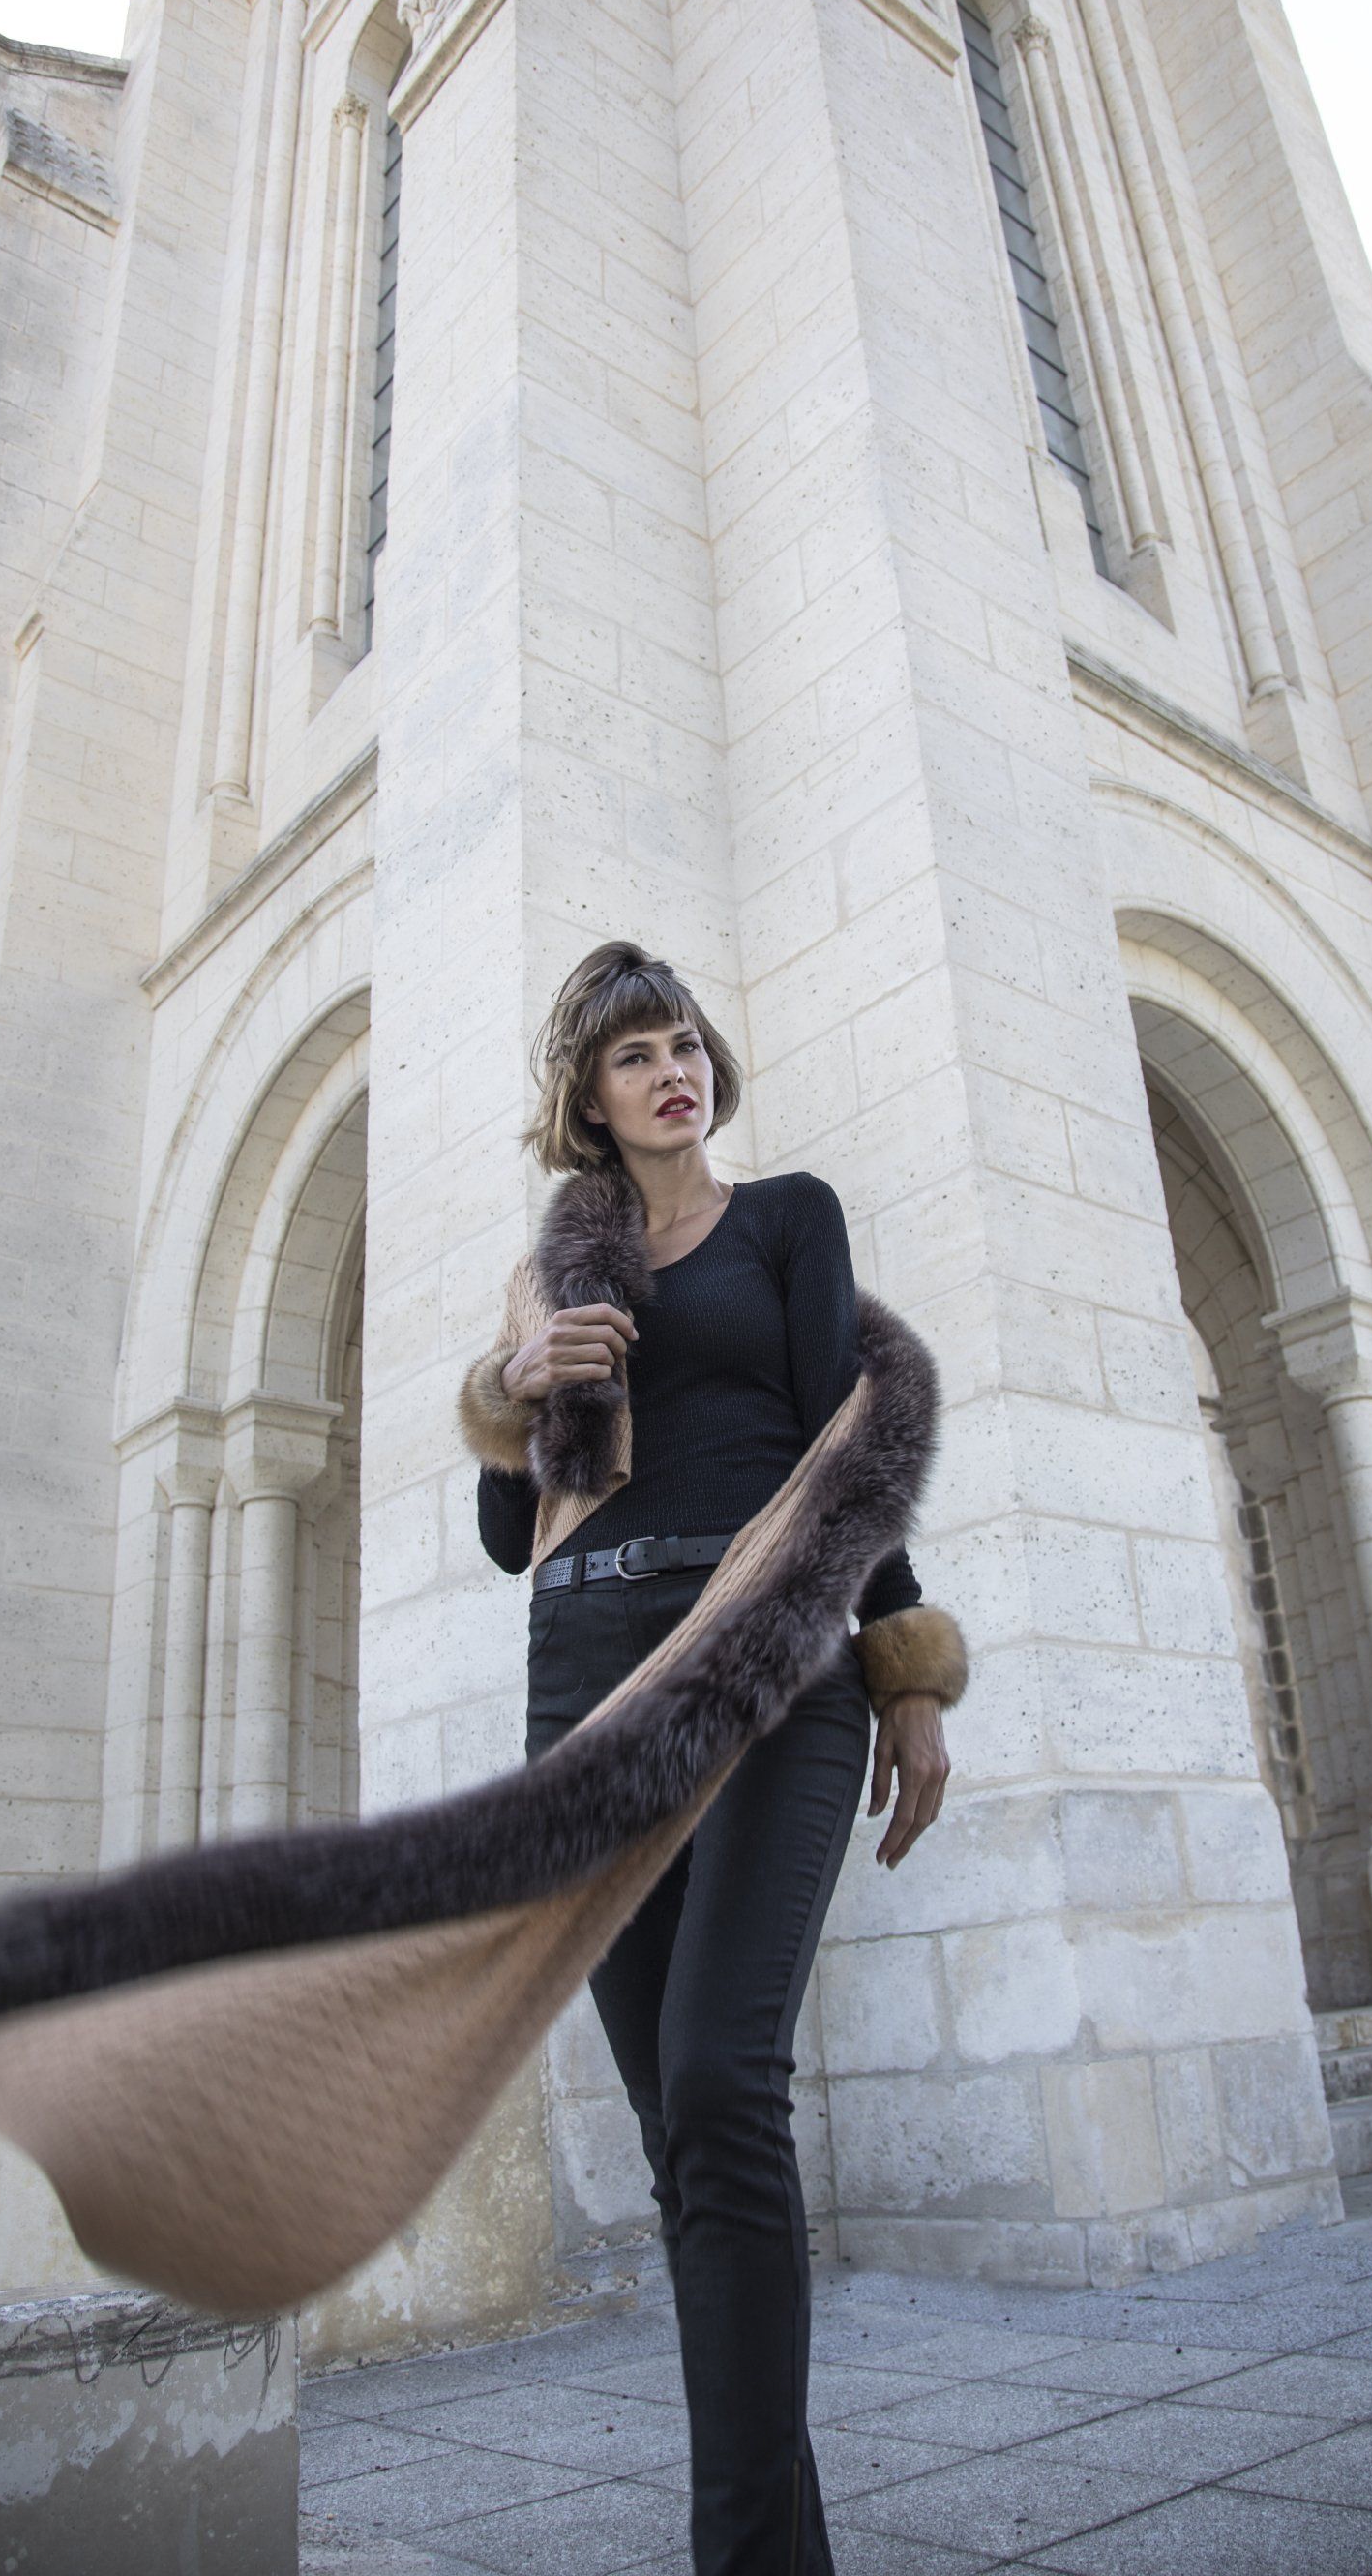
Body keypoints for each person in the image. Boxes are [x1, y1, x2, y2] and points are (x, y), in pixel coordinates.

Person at [462, 941, 968, 2576]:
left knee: (717, 2081)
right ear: (590, 1100)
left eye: (683, 1044)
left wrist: (904, 1669)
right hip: (590, 1689)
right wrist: (514, 1392)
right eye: (635, 1056)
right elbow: (509, 1537)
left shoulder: (787, 1220)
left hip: (769, 1662)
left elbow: (849, 1444)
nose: (672, 1071)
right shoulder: (555, 1279)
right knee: (687, 2148)